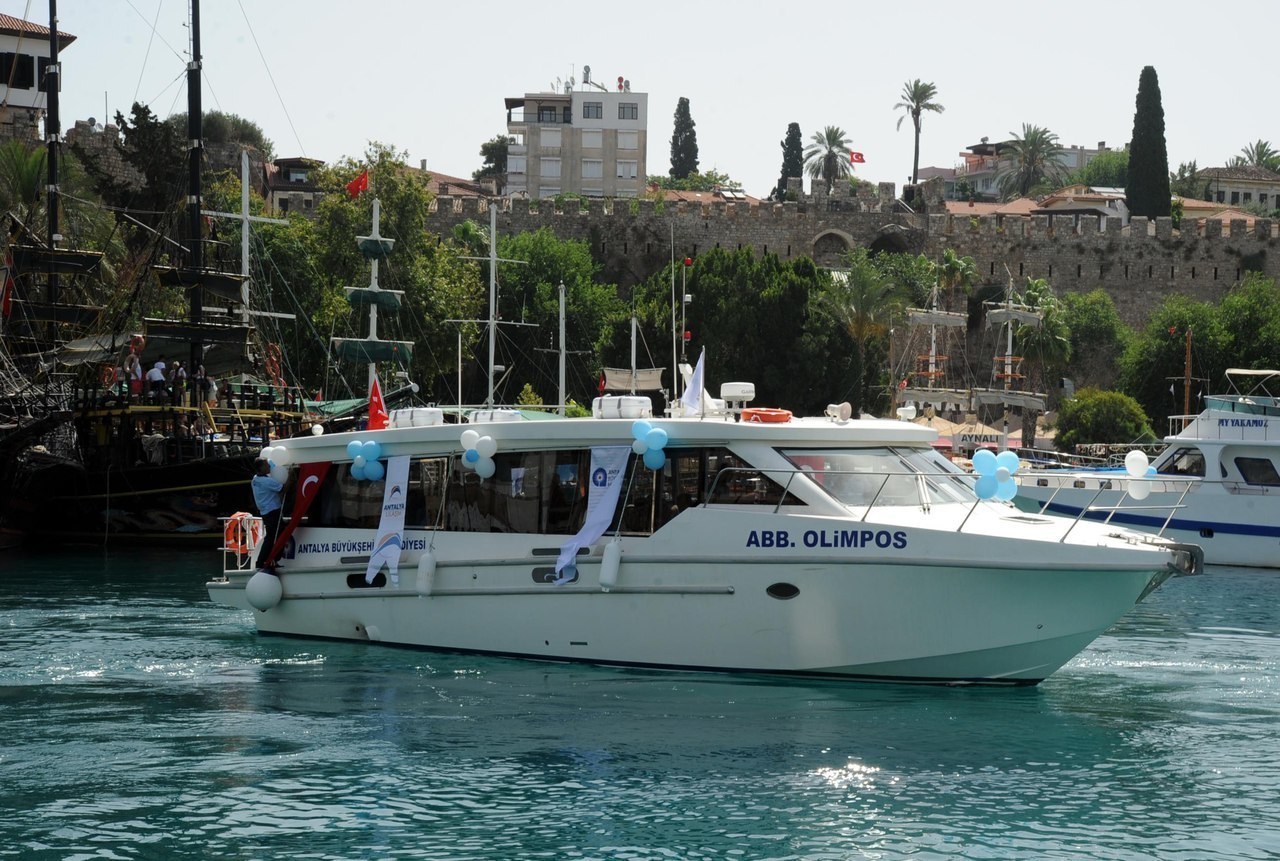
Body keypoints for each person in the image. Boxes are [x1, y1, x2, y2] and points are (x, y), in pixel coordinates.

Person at [252, 458, 290, 571]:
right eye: (266, 465)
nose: (269, 467)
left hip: (265, 512)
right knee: (276, 537)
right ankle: (264, 561)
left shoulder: (255, 479)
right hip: (273, 512)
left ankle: (269, 560)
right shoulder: (267, 481)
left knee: (272, 537)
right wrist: (290, 477)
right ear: (260, 468)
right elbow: (283, 489)